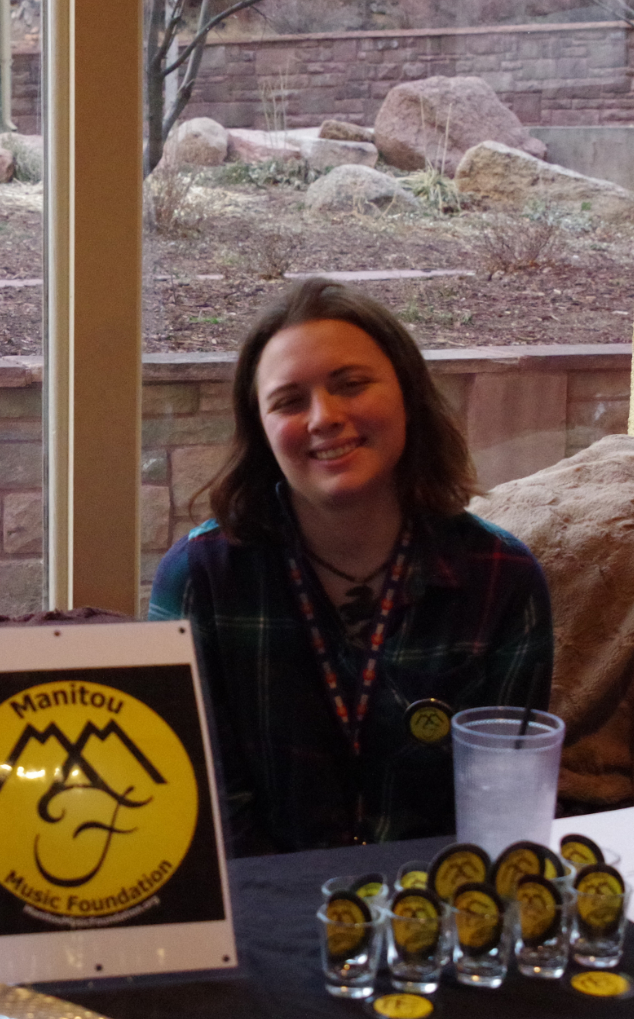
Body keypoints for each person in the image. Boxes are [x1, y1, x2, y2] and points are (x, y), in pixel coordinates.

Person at [148, 277, 552, 855]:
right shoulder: (198, 580)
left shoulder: (503, 578)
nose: (324, 417)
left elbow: (503, 812)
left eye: (351, 385)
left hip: (440, 900)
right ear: (261, 430)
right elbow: (203, 816)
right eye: (289, 401)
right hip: (262, 903)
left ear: (408, 395)